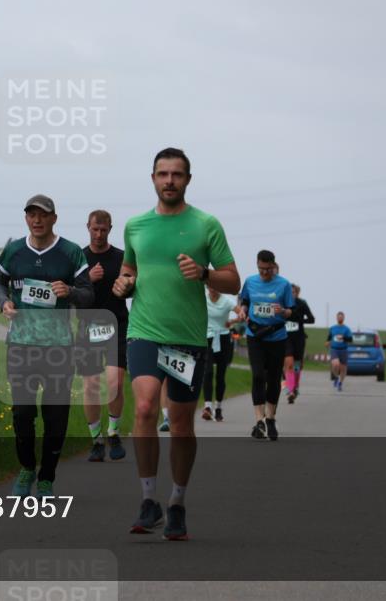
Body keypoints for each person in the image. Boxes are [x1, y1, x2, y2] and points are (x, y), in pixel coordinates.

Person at [112, 147, 239, 540]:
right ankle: (148, 499)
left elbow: (232, 280)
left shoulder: (206, 225)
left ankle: (177, 502)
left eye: (177, 174)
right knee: (147, 405)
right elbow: (129, 269)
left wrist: (203, 273)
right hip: (145, 330)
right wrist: (123, 283)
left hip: (186, 337)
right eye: (162, 174)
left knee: (182, 425)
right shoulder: (135, 225)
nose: (169, 180)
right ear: (152, 178)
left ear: (187, 179)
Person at [0, 194, 94, 497]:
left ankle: (47, 476)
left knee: (55, 415)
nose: (37, 220)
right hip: (21, 345)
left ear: (54, 218)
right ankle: (26, 469)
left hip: (59, 348)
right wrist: (3, 301)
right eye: (31, 214)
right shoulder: (13, 251)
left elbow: (89, 294)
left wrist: (71, 292)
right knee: (22, 413)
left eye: (43, 215)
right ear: (26, 218)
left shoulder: (70, 253)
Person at [77, 210, 129, 462]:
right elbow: (67, 292)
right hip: (87, 327)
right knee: (91, 386)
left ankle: (114, 432)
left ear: (110, 229)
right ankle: (96, 439)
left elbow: (133, 287)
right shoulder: (79, 258)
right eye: (95, 229)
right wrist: (87, 278)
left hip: (117, 325)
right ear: (88, 227)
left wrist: (128, 285)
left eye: (104, 230)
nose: (99, 234)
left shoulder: (121, 257)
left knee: (115, 383)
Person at [237, 250, 294, 442]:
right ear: (257, 265)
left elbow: (291, 311)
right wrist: (243, 311)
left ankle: (270, 418)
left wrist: (283, 311)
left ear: (273, 266)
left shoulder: (284, 284)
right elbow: (244, 301)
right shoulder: (250, 281)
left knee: (273, 378)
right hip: (255, 335)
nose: (264, 273)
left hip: (277, 336)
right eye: (261, 269)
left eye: (267, 269)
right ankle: (259, 420)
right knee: (258, 375)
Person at [202, 285, 236, 422]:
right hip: (208, 338)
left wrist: (232, 321)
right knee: (208, 372)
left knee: (220, 375)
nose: (212, 288)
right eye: (210, 285)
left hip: (223, 339)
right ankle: (208, 407)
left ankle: (218, 407)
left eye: (215, 285)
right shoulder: (203, 298)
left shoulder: (226, 301)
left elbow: (241, 314)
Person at [283, 284, 315, 403]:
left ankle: (295, 387)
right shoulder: (283, 304)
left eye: (294, 292)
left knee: (297, 365)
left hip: (299, 338)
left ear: (297, 293)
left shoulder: (302, 303)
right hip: (286, 338)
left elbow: (312, 319)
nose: (292, 294)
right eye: (290, 292)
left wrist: (300, 320)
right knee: (289, 363)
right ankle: (290, 390)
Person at [326, 311, 354, 391]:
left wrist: (343, 338)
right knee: (335, 365)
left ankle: (340, 383)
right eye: (338, 317)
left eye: (341, 317)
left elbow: (351, 339)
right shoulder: (332, 328)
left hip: (343, 350)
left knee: (343, 369)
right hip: (334, 349)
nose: (340, 318)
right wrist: (327, 343)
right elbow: (328, 338)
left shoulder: (346, 329)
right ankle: (336, 377)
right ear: (336, 318)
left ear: (343, 318)